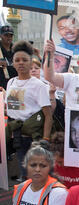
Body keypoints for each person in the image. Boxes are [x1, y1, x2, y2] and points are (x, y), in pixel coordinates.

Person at [4, 40, 53, 180]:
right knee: (23, 175)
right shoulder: (11, 82)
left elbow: (48, 115)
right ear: (12, 62)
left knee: (35, 177)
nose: (20, 63)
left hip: (32, 139)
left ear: (31, 62)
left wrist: (45, 140)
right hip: (15, 136)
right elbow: (14, 108)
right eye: (17, 60)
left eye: (24, 60)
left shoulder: (39, 85)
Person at [0, 25, 17, 90]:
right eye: (6, 35)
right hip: (1, 84)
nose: (9, 37)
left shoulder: (16, 49)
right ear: (1, 36)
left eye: (11, 35)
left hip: (14, 83)